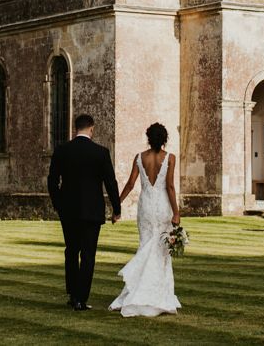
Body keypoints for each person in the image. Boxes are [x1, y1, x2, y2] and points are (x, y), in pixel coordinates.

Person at [47, 113, 121, 311]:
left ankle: (72, 294)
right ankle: (80, 298)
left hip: (68, 210)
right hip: (92, 211)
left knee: (71, 251)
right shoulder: (100, 152)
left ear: (75, 129)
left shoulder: (62, 151)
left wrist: (58, 203)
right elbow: (110, 182)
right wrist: (117, 209)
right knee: (88, 255)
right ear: (91, 129)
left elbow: (52, 180)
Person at [109, 122, 181, 317]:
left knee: (146, 245)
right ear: (164, 139)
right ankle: (157, 294)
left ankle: (141, 291)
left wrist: (117, 206)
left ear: (149, 138)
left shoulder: (140, 158)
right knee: (160, 250)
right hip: (163, 206)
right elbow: (170, 187)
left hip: (146, 207)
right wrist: (176, 212)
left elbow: (131, 184)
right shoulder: (170, 158)